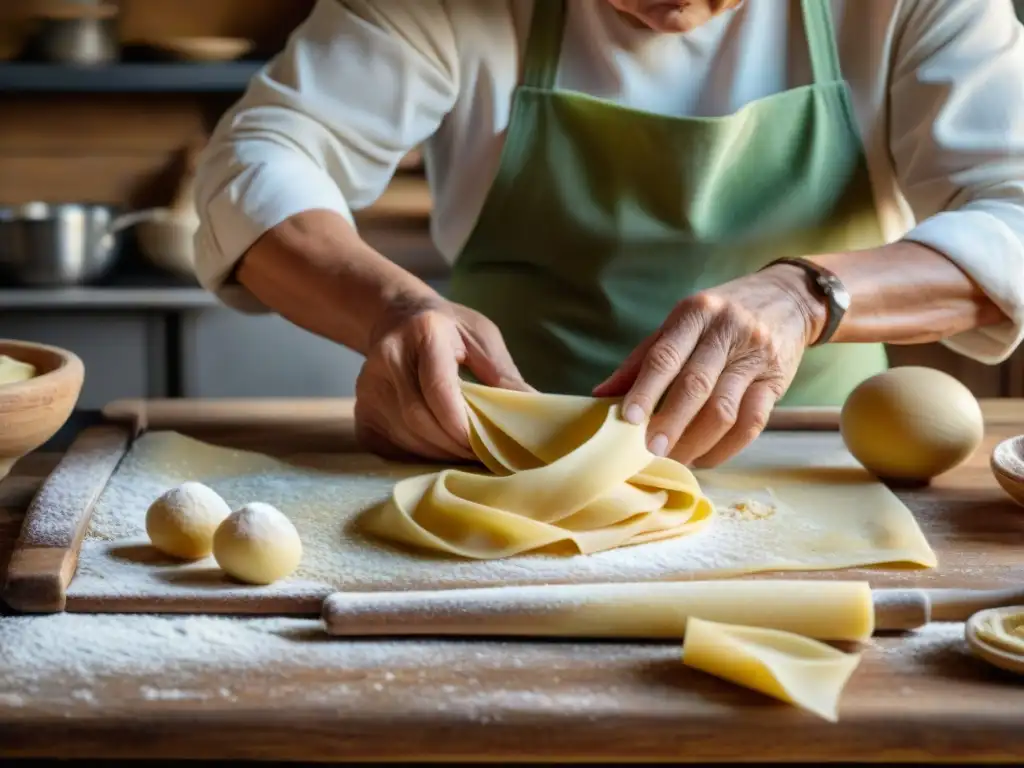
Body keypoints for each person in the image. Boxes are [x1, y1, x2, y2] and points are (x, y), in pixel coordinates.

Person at [194, 0, 1024, 467]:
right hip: (499, 463)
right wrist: (389, 310)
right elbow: (261, 158)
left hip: (819, 462)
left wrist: (805, 296)